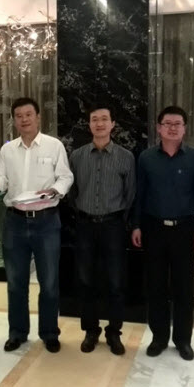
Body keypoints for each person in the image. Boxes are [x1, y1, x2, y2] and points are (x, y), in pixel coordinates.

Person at [0, 97, 74, 353]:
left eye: (28, 114)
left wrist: (55, 190)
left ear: (38, 117)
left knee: (49, 282)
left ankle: (49, 333)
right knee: (16, 283)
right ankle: (17, 333)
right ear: (14, 120)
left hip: (46, 221)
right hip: (15, 222)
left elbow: (66, 176)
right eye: (19, 116)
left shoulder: (54, 146)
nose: (24, 119)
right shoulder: (8, 150)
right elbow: (1, 182)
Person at [131, 105, 194, 361]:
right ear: (159, 127)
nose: (173, 128)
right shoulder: (146, 158)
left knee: (183, 288)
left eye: (178, 124)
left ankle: (183, 340)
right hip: (153, 229)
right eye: (168, 123)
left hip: (185, 230)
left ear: (184, 128)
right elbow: (139, 195)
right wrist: (136, 225)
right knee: (155, 287)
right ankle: (159, 337)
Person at [68, 103, 135, 356]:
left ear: (112, 124)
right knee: (85, 280)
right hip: (85, 225)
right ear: (89, 124)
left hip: (113, 226)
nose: (99, 123)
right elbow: (72, 192)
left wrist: (118, 218)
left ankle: (114, 332)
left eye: (104, 119)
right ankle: (91, 330)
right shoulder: (77, 156)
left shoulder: (125, 157)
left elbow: (130, 194)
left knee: (116, 282)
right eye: (94, 119)